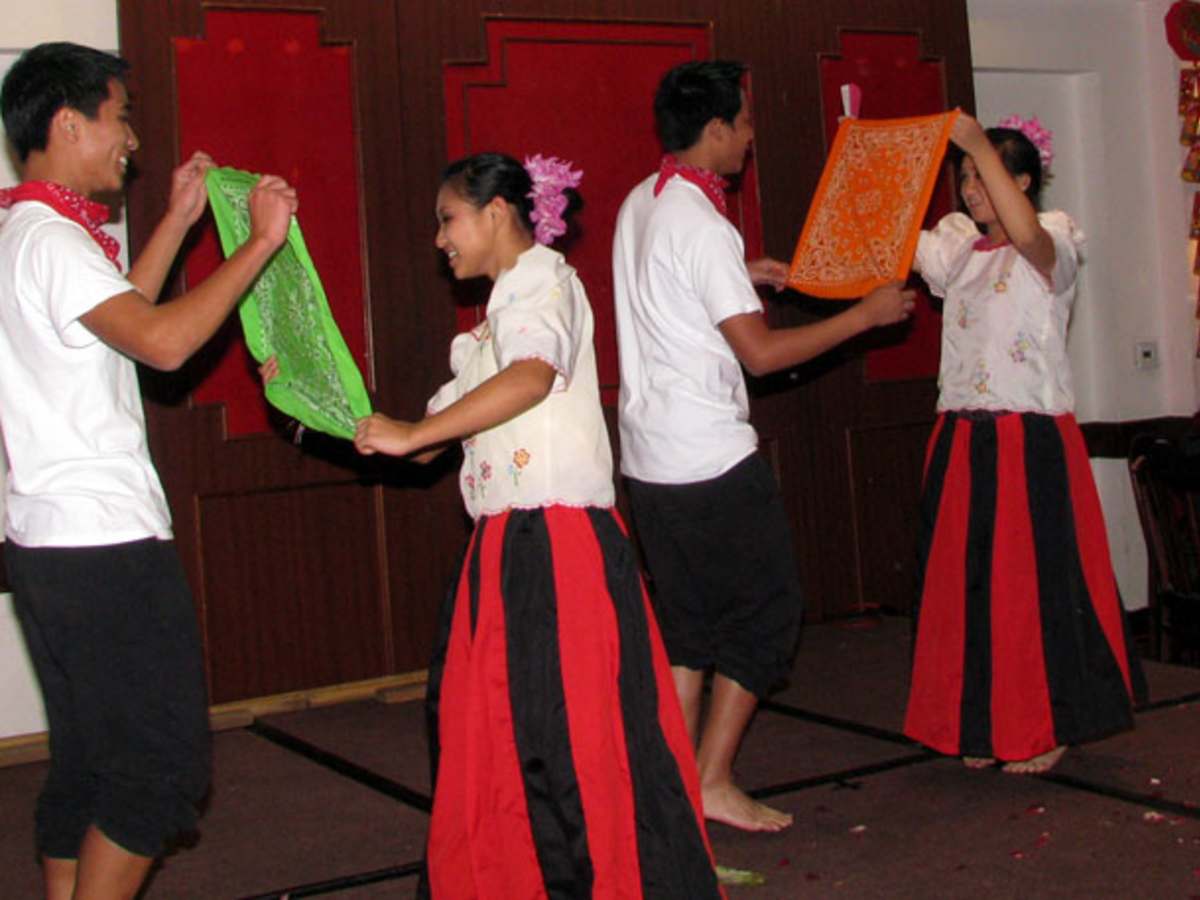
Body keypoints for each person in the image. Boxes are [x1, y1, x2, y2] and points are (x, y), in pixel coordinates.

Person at [354, 152, 724, 898]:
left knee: (560, 737)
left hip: (556, 545)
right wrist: (325, 406)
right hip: (508, 548)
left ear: (497, 214)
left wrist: (412, 435)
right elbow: (421, 426)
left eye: (447, 219)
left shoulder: (542, 283)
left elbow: (528, 380)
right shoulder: (489, 328)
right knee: (492, 729)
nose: (439, 239)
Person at [0, 41, 297, 900]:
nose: (132, 137)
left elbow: (120, 322)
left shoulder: (31, 231)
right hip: (102, 548)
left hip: (48, 544)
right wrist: (262, 246)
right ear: (69, 121)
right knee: (161, 769)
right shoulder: (51, 240)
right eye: (121, 114)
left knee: (89, 762)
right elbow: (164, 344)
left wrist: (177, 218)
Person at [611, 60, 916, 833]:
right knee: (767, 614)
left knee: (688, 626)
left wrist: (738, 275)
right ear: (714, 130)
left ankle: (675, 784)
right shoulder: (702, 224)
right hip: (708, 457)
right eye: (742, 124)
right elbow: (762, 356)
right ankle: (712, 778)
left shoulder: (642, 203)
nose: (750, 139)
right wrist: (865, 316)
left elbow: (668, 291)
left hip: (648, 458)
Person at [903, 112, 1144, 774]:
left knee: (1033, 587)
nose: (970, 188)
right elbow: (887, 236)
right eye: (965, 178)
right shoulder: (957, 249)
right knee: (969, 587)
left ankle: (1044, 724)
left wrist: (976, 139)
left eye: (983, 176)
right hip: (962, 433)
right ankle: (978, 724)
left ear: (1023, 179)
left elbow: (1029, 233)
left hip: (1028, 436)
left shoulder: (1054, 242)